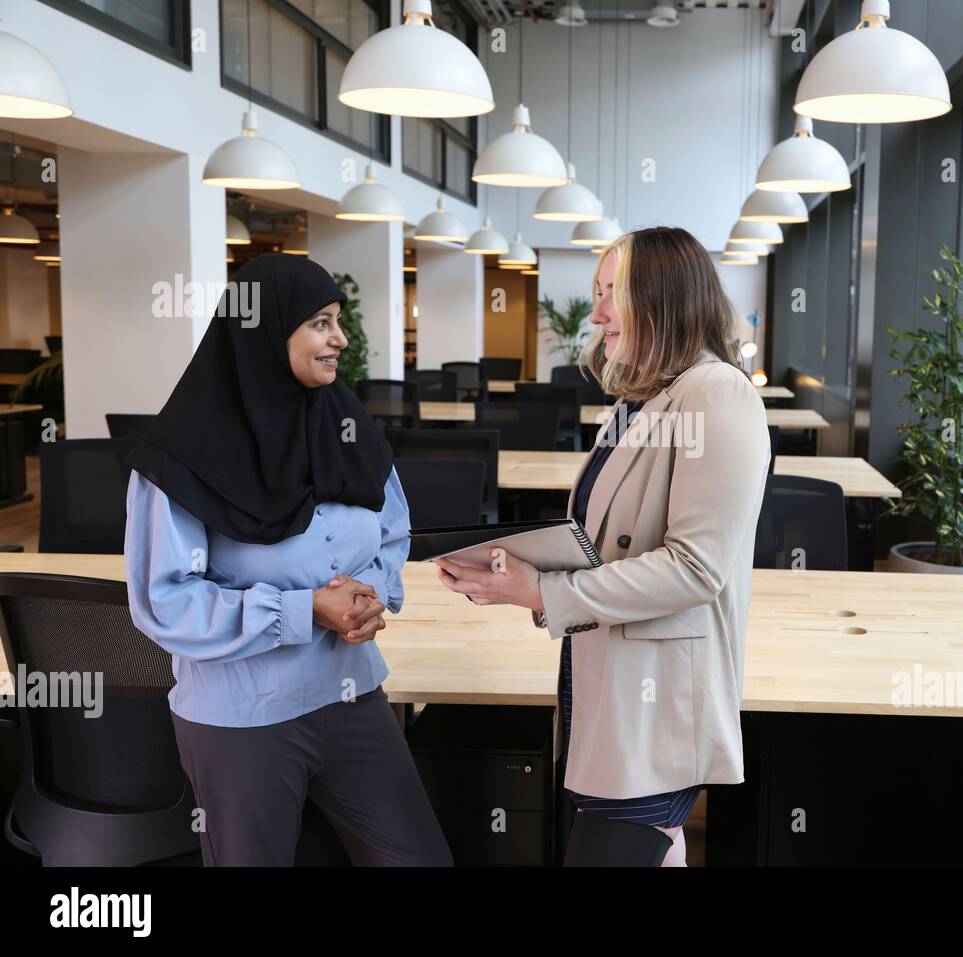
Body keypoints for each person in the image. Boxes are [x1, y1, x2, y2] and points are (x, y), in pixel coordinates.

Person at [434, 226, 770, 866]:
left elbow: (696, 569)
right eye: (598, 292)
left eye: (612, 291)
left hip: (656, 704)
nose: (596, 313)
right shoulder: (641, 399)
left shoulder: (718, 393)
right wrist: (521, 569)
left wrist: (544, 590)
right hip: (610, 684)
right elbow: (604, 542)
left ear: (662, 295)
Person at [123, 252, 451, 867]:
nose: (340, 339)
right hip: (244, 716)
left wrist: (370, 592)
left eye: (339, 320)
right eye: (320, 322)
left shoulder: (345, 423)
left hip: (351, 691)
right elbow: (162, 600)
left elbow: (391, 530)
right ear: (267, 331)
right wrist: (303, 611)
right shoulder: (180, 456)